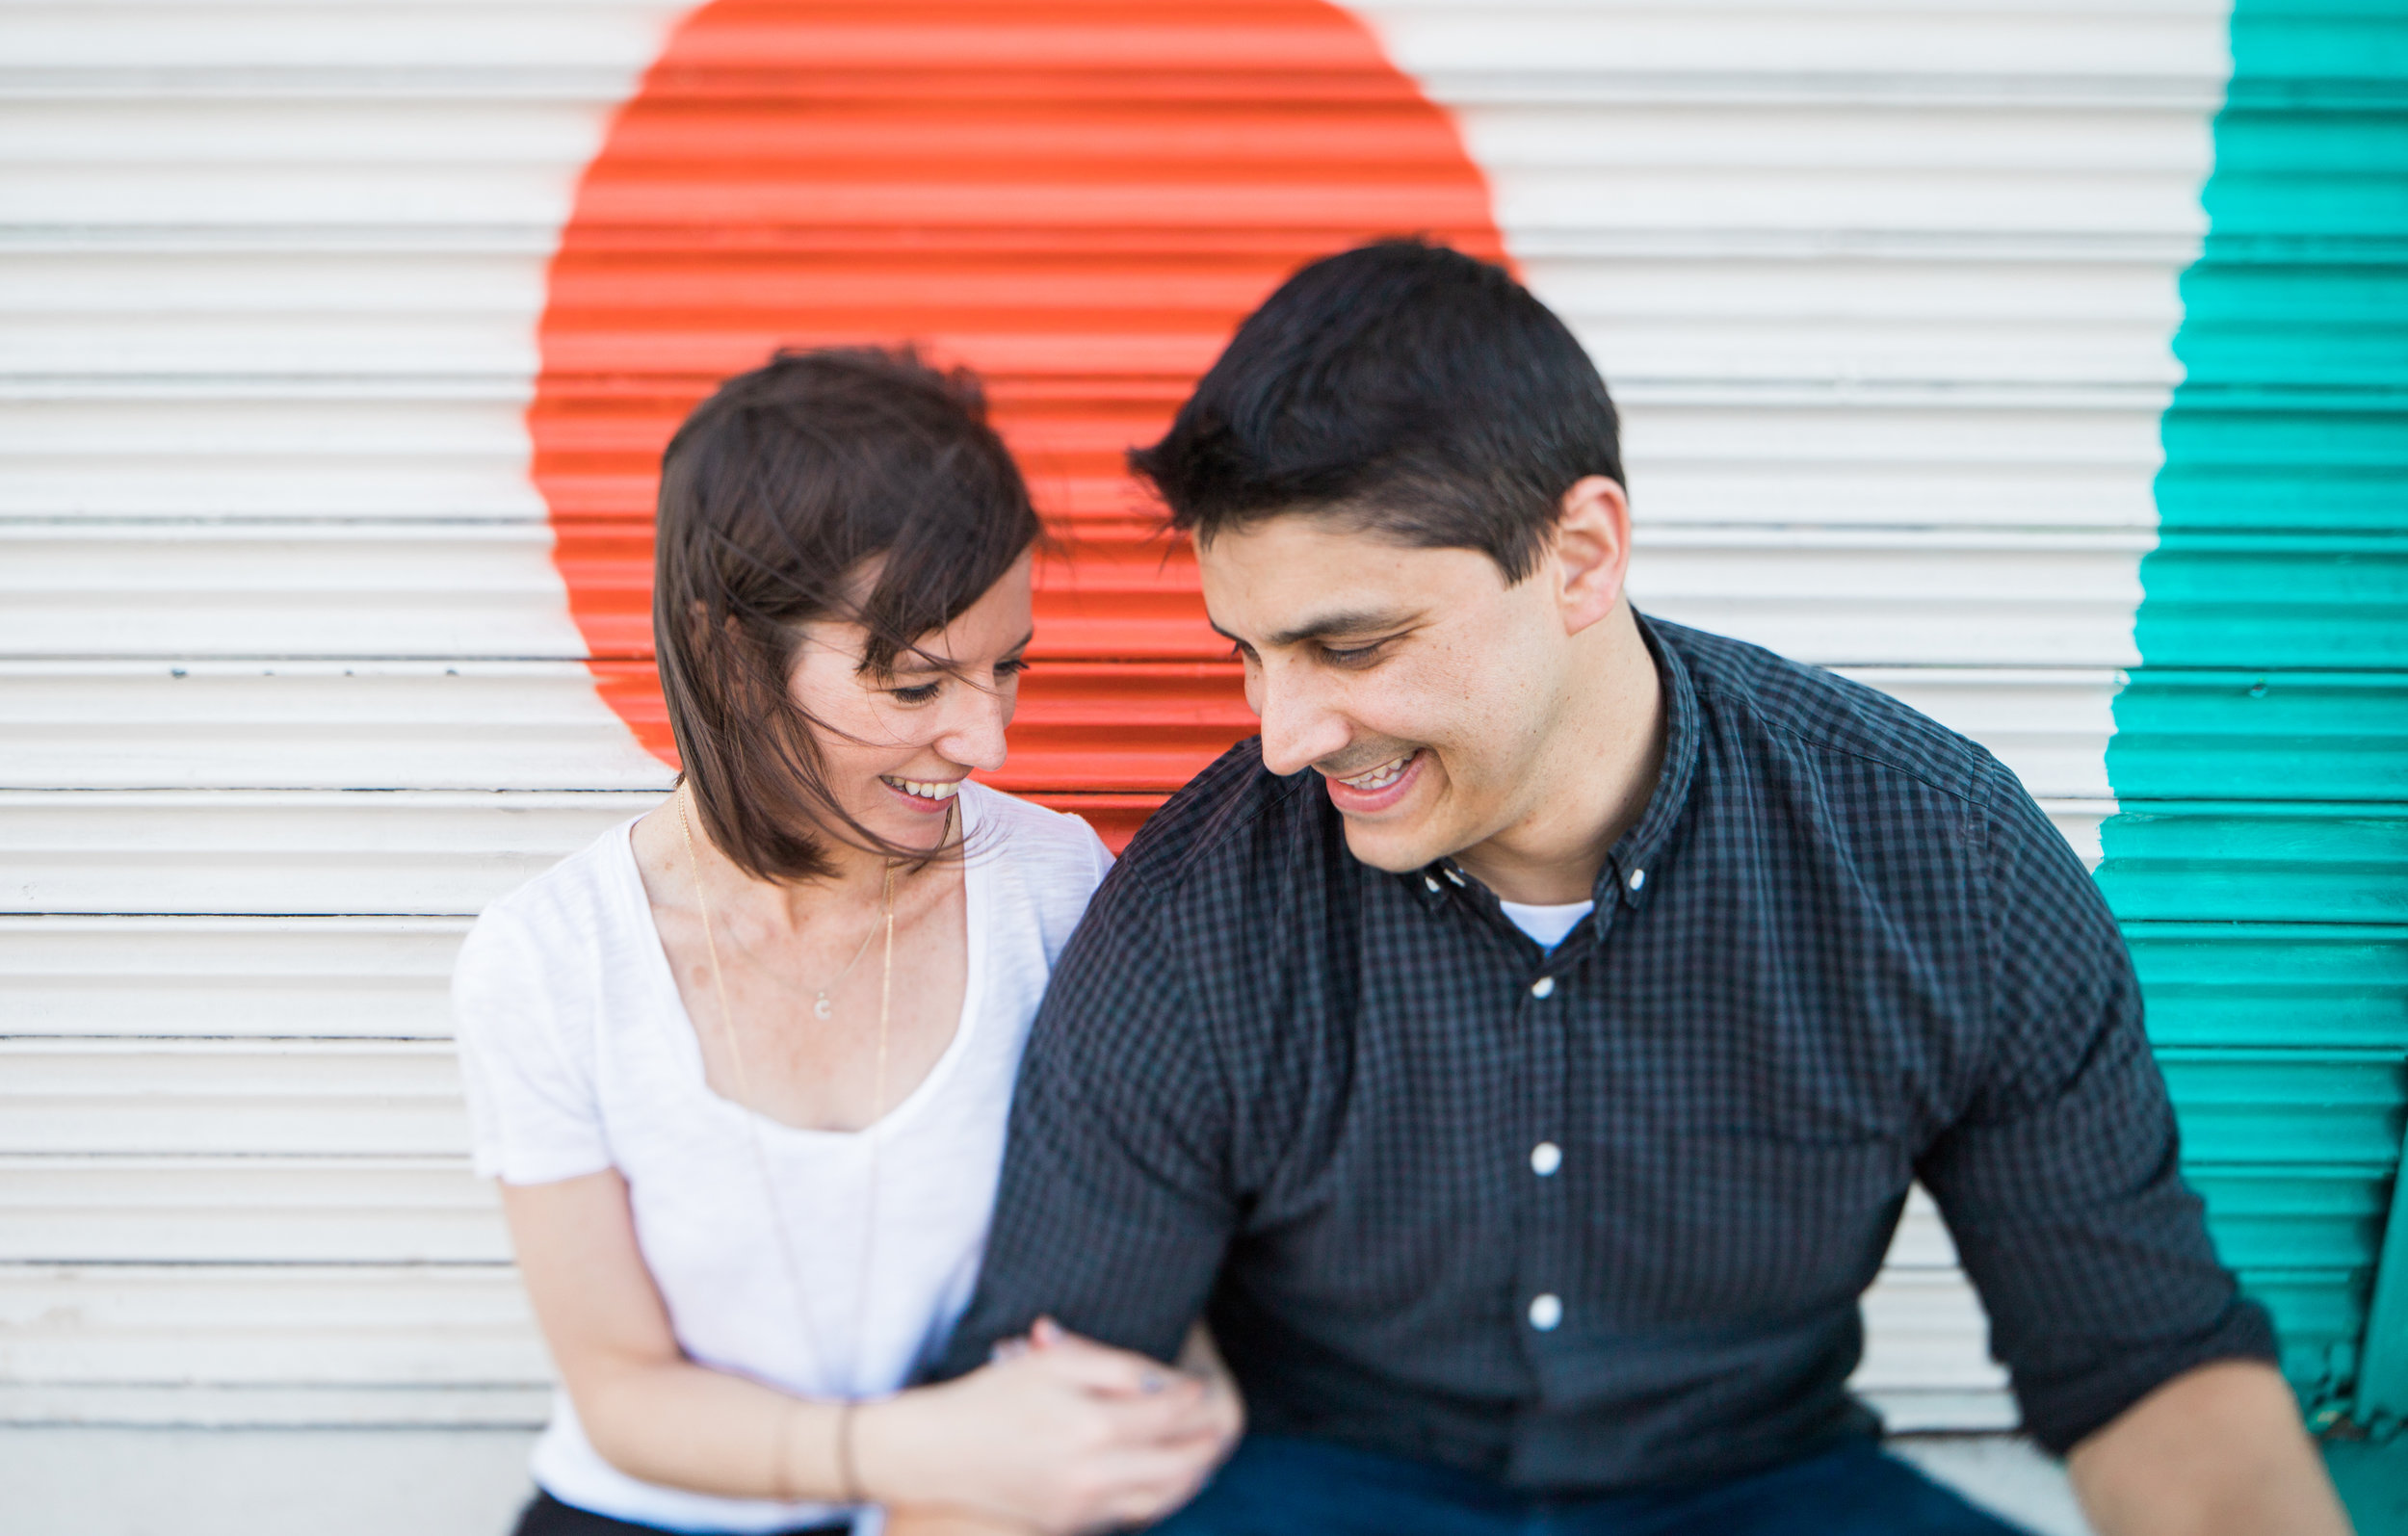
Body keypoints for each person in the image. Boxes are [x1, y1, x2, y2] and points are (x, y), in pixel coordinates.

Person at [930, 244, 2353, 1534]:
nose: (1284, 733)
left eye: (1351, 646)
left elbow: (2147, 1363)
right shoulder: (1196, 908)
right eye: (1250, 652)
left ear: (1581, 553)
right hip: (1327, 1489)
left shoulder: (1940, 855)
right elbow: (1047, 1413)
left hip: (1761, 1488)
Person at [452, 349, 1241, 1536]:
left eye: (1006, 667)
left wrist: (1189, 1385)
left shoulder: (1055, 886)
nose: (985, 738)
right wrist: (916, 1446)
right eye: (915, 684)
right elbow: (621, 1391)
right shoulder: (548, 958)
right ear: (731, 658)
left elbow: (1147, 1237)